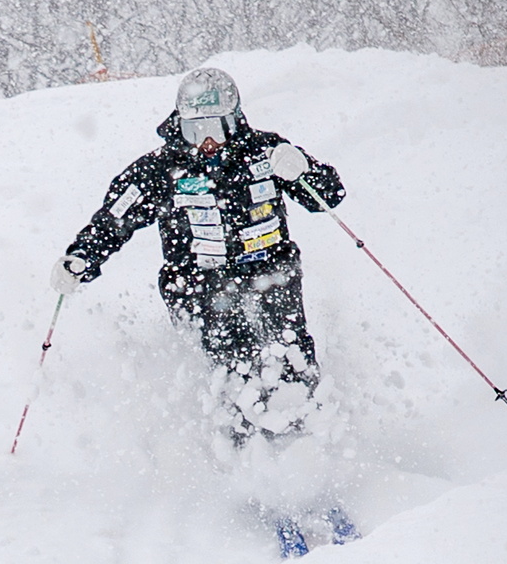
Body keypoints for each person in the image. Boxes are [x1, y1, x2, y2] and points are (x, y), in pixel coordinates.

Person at [52, 68, 345, 444]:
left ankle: (307, 452)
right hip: (197, 284)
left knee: (288, 357)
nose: (207, 141)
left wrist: (305, 171)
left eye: (217, 128)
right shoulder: (159, 170)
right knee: (233, 368)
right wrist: (80, 258)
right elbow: (114, 220)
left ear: (235, 120)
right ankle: (244, 462)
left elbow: (328, 196)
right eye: (195, 130)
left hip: (272, 272)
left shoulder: (266, 152)